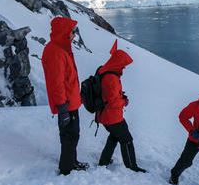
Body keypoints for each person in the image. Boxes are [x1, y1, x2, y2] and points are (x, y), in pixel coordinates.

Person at [41, 16, 89, 176]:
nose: (74, 35)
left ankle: (71, 161)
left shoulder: (60, 48)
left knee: (71, 135)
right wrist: (62, 108)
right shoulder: (56, 52)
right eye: (72, 32)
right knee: (70, 135)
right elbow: (57, 83)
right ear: (64, 32)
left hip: (70, 102)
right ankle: (66, 168)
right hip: (66, 104)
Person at [96, 40, 146, 173]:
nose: (124, 67)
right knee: (126, 139)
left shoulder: (105, 71)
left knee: (114, 137)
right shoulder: (111, 78)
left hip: (106, 115)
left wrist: (120, 96)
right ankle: (131, 166)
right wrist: (124, 101)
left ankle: (104, 161)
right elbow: (112, 102)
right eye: (123, 65)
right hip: (112, 116)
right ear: (117, 63)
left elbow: (109, 96)